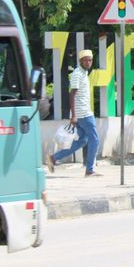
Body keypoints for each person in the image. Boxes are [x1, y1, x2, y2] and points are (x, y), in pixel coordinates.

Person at [48, 49, 102, 177]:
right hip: (83, 114)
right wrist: (74, 115)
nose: (88, 62)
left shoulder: (84, 73)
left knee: (83, 141)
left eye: (90, 60)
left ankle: (54, 158)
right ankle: (89, 170)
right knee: (95, 140)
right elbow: (72, 95)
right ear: (80, 61)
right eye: (86, 60)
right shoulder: (77, 74)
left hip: (82, 113)